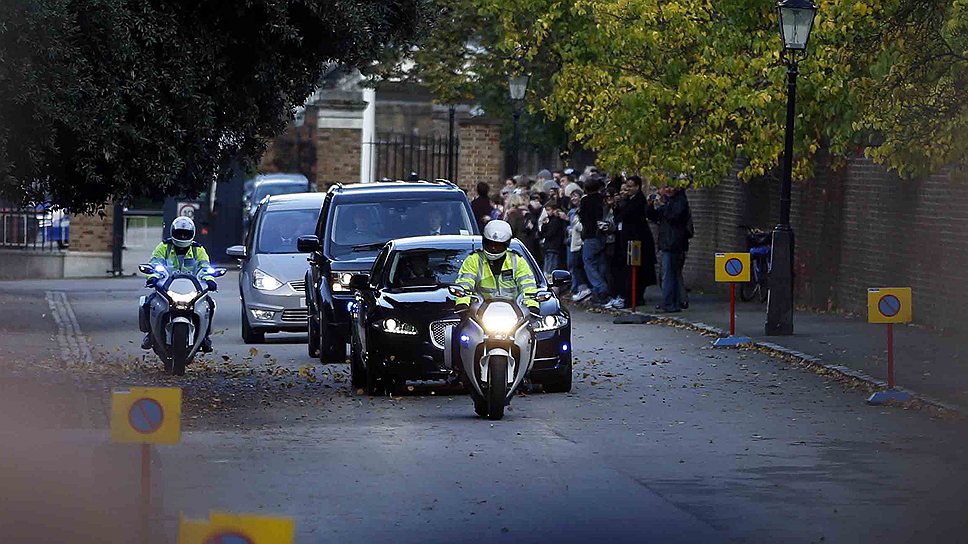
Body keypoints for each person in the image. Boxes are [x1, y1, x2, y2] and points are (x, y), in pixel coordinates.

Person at [451, 220, 540, 372]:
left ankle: (529, 370)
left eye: (498, 245)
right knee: (459, 333)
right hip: (481, 310)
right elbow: (464, 283)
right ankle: (458, 369)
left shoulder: (517, 261)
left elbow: (528, 284)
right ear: (484, 241)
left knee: (530, 332)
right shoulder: (474, 260)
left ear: (506, 244)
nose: (493, 248)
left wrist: (533, 305)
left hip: (512, 310)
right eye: (490, 243)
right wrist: (462, 303)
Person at [141, 216, 217, 351]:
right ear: (172, 232)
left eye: (185, 234)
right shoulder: (163, 247)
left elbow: (205, 267)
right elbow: (154, 263)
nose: (182, 237)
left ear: (192, 234)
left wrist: (210, 280)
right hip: (167, 286)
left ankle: (204, 337)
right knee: (148, 303)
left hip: (192, 287)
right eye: (179, 233)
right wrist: (152, 277)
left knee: (210, 304)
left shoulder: (198, 250)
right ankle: (150, 334)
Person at [609, 175, 657, 309]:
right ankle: (631, 297)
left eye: (630, 187)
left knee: (635, 270)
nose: (628, 189)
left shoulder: (638, 201)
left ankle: (634, 299)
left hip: (637, 239)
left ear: (637, 187)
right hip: (629, 238)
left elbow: (623, 216)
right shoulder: (630, 200)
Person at [647, 185, 691, 312]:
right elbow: (655, 217)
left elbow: (674, 216)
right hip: (667, 242)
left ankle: (670, 303)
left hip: (674, 242)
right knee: (669, 274)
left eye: (671, 187)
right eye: (666, 187)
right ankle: (672, 302)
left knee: (668, 274)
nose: (668, 190)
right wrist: (650, 206)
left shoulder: (680, 201)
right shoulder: (668, 201)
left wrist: (662, 206)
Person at [578, 177, 610, 305]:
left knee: (588, 262)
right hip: (601, 233)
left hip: (590, 234)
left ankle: (600, 287)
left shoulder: (585, 200)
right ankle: (599, 290)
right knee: (600, 262)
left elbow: (583, 217)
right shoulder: (601, 199)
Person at [566, 189, 592, 301]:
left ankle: (584, 289)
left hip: (580, 243)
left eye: (576, 196)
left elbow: (581, 227)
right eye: (572, 196)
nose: (573, 199)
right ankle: (581, 289)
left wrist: (575, 224)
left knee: (579, 266)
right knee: (575, 266)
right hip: (574, 243)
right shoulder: (572, 212)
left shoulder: (581, 213)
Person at [539, 200, 568, 276]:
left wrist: (545, 230)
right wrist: (544, 225)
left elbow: (550, 233)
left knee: (551, 267)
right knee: (547, 266)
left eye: (549, 210)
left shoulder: (556, 221)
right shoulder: (549, 220)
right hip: (548, 246)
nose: (547, 212)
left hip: (554, 246)